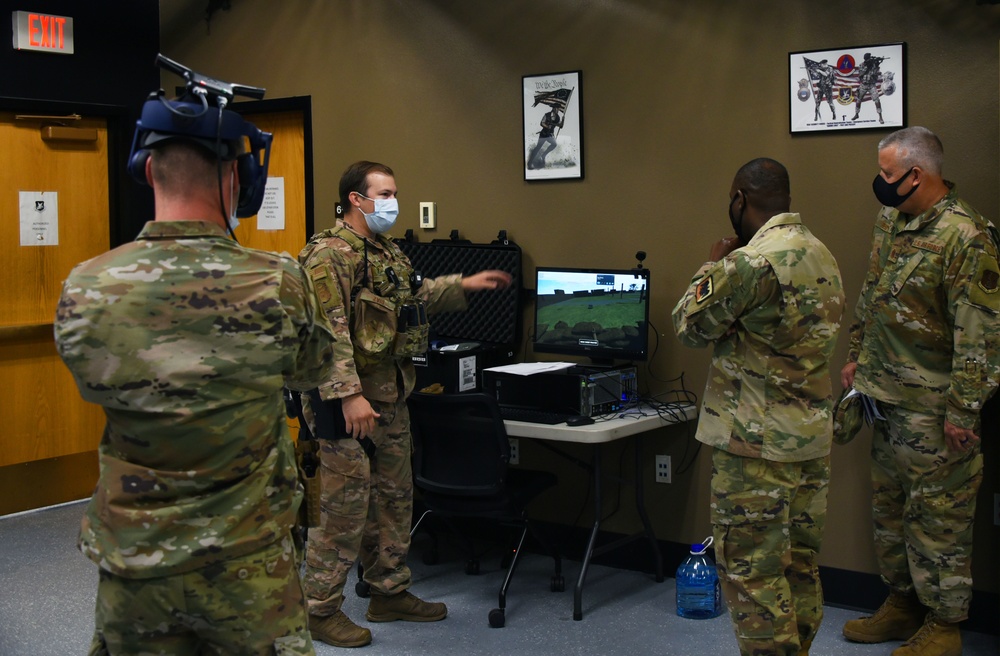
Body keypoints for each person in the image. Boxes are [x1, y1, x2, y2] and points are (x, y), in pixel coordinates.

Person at [54, 88, 337, 653]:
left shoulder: (88, 284)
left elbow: (91, 383)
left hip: (135, 563)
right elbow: (313, 371)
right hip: (249, 561)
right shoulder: (277, 280)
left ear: (148, 166)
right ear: (238, 178)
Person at [299, 160, 512, 648]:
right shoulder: (328, 255)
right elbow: (326, 332)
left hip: (391, 396)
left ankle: (388, 591)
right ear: (357, 198)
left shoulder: (387, 252)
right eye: (386, 193)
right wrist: (349, 395)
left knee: (394, 499)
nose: (394, 202)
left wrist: (465, 285)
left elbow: (414, 296)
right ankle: (319, 609)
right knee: (344, 508)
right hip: (346, 403)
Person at [672, 158, 844, 656]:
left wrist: (712, 263)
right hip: (809, 442)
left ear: (740, 199)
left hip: (754, 449)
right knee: (799, 569)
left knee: (752, 575)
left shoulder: (749, 264)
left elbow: (689, 324)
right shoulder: (820, 253)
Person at [841, 126, 999, 656]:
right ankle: (902, 605)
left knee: (940, 519)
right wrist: (856, 357)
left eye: (887, 175)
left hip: (935, 410)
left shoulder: (967, 236)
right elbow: (873, 293)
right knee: (889, 512)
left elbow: (978, 335)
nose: (880, 184)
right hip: (884, 399)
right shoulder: (893, 219)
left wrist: (964, 412)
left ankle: (946, 624)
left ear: (917, 175)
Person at [852, 52, 885, 124]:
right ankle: (857, 114)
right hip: (863, 85)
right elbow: (861, 73)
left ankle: (880, 117)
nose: (870, 59)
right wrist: (870, 65)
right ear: (866, 59)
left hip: (871, 85)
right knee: (858, 100)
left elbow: (875, 73)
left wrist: (877, 64)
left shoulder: (873, 64)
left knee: (877, 100)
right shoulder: (862, 65)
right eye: (869, 58)